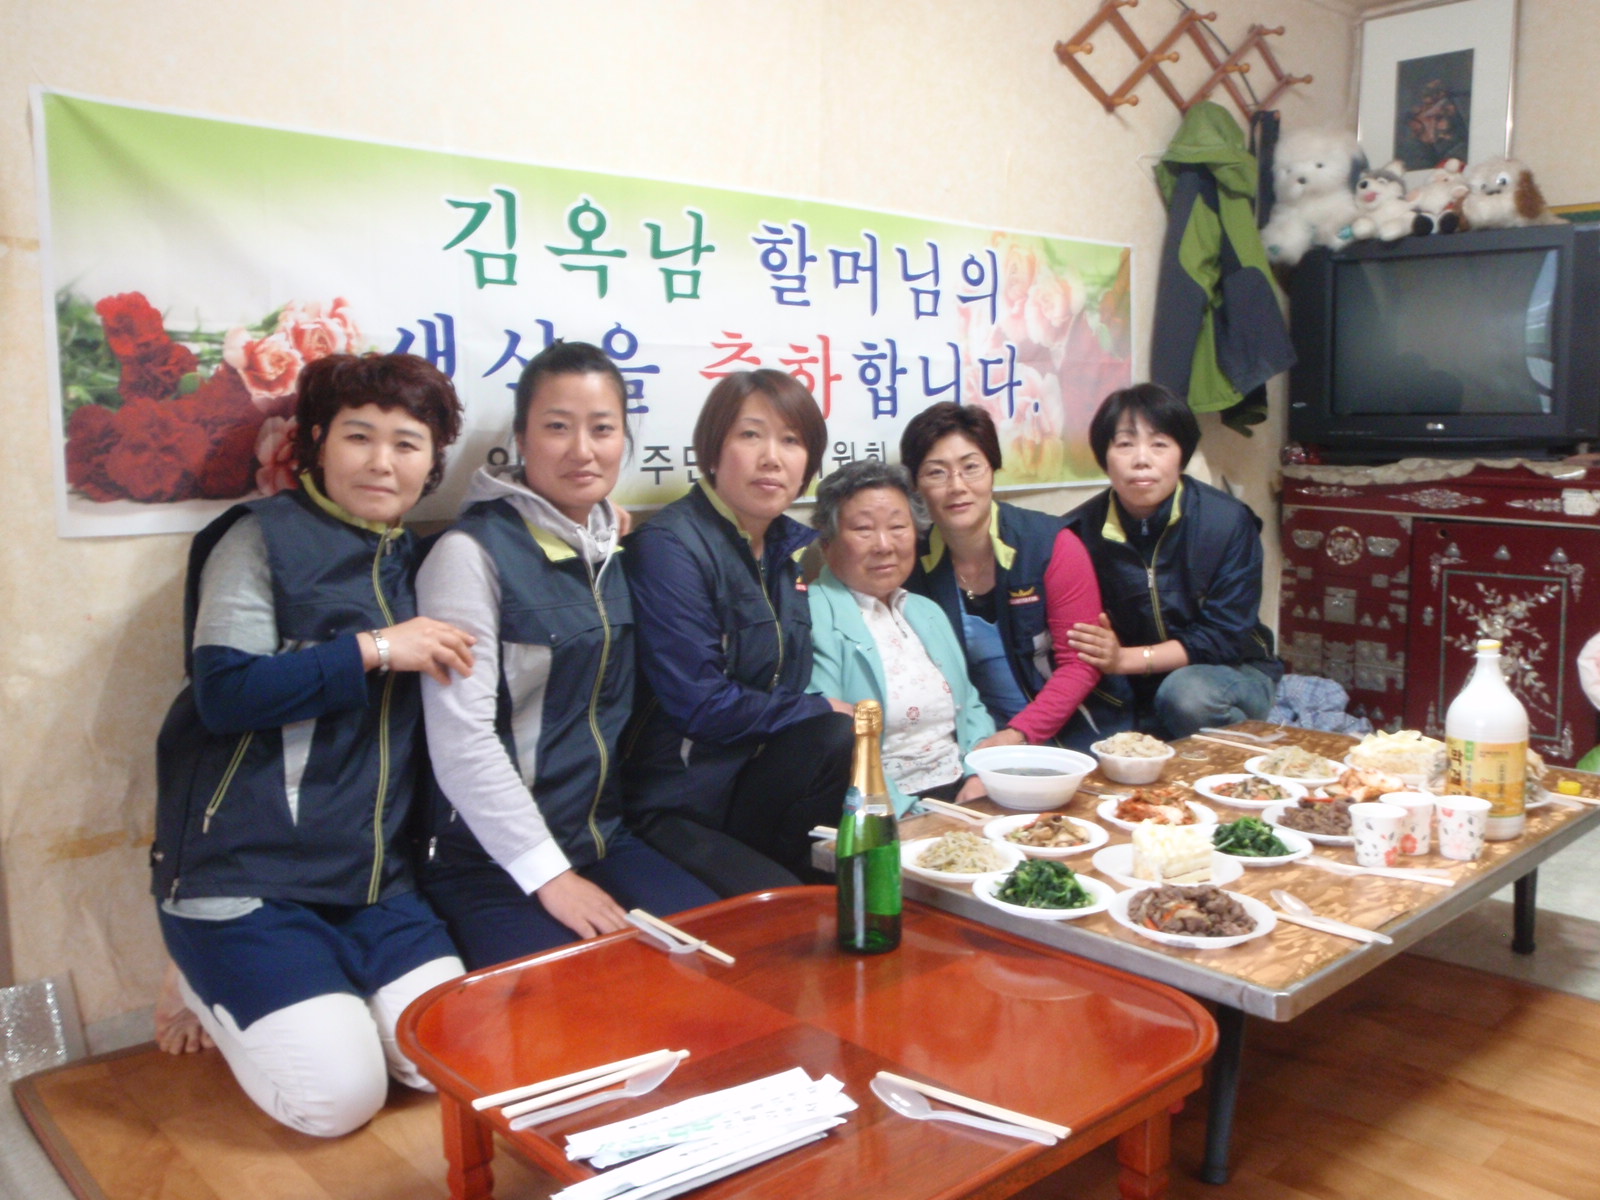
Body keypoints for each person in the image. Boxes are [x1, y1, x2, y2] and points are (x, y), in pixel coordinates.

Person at [151, 353, 476, 1137]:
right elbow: (225, 692)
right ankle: (196, 971)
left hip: (375, 881)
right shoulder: (259, 536)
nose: (381, 461)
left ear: (433, 462)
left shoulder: (422, 558)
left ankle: (321, 1001)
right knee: (338, 1102)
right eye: (359, 436)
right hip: (248, 873)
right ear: (318, 442)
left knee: (456, 1060)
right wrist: (374, 649)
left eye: (407, 443)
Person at [416, 342, 716, 969]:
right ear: (521, 439)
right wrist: (549, 876)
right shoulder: (469, 555)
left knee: (714, 959)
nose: (583, 450)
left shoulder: (608, 546)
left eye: (602, 429)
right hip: (489, 859)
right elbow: (462, 741)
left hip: (600, 837)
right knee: (586, 994)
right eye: (558, 427)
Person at [622, 369, 855, 895]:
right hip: (676, 801)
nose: (771, 457)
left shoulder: (783, 551)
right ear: (712, 449)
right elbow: (701, 705)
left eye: (791, 441)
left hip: (749, 782)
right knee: (789, 912)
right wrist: (818, 706)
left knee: (837, 743)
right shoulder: (670, 547)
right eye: (751, 435)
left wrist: (824, 713)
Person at [1063, 382, 1282, 739]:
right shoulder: (1077, 532)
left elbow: (1225, 637)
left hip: (1230, 670)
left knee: (1187, 697)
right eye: (1125, 444)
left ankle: (1235, 755)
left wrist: (1126, 660)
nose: (1141, 459)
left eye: (1159, 444)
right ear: (1105, 457)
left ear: (1182, 455)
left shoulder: (1225, 521)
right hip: (1133, 683)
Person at [899, 402, 1119, 751]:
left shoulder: (1050, 545)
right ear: (915, 484)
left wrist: (1018, 735)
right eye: (936, 472)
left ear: (993, 469)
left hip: (1070, 732)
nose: (957, 486)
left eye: (971, 467)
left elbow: (1080, 665)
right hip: (975, 735)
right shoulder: (911, 563)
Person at [806, 460, 995, 813]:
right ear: (827, 543)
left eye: (897, 527)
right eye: (863, 529)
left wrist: (978, 776)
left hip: (964, 793)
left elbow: (970, 705)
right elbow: (829, 738)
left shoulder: (926, 610)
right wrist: (908, 812)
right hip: (880, 808)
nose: (884, 545)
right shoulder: (812, 615)